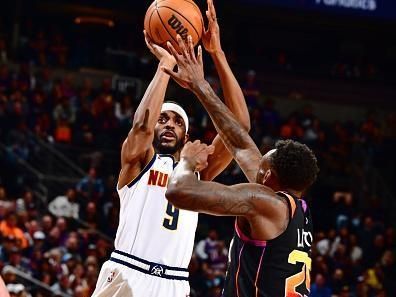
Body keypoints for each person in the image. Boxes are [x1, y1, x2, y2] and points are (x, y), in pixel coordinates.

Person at [91, 1, 250, 296]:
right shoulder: (138, 162)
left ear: (186, 135)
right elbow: (141, 128)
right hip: (128, 271)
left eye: (176, 121)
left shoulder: (198, 170)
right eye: (162, 118)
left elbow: (239, 126)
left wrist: (216, 54)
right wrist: (164, 67)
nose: (167, 124)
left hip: (175, 283)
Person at [162, 33, 319, 296]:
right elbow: (241, 144)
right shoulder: (297, 209)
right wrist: (204, 77)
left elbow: (178, 191)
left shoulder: (263, 202)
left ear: (268, 177)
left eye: (260, 167)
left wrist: (187, 162)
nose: (254, 165)